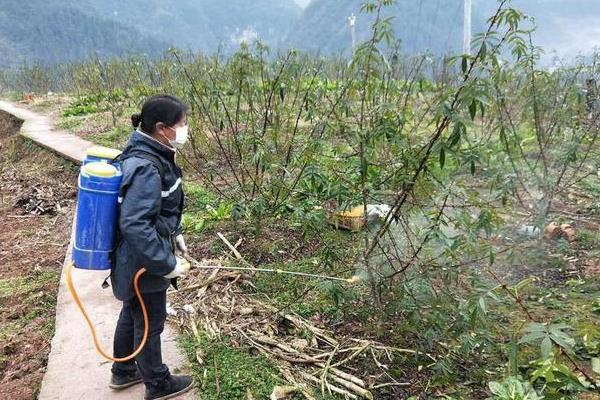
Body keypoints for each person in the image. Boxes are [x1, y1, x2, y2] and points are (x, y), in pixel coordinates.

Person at [109, 95, 194, 400]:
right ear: (161, 128)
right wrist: (165, 262)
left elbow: (160, 208)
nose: (185, 130)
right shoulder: (146, 166)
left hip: (134, 259)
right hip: (142, 263)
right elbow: (136, 225)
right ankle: (158, 384)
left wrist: (176, 234)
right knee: (150, 322)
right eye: (181, 124)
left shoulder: (148, 151)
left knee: (132, 312)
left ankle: (123, 371)